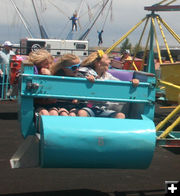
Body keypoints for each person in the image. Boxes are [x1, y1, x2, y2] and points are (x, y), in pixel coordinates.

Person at [77, 50, 139, 118]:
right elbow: (78, 79)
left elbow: (120, 84)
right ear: (98, 63)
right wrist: (87, 79)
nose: (109, 61)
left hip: (105, 110)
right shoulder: (85, 73)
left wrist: (132, 82)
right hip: (90, 108)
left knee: (120, 116)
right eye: (107, 59)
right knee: (82, 113)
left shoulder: (107, 76)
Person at [29, 49, 59, 116]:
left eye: (50, 63)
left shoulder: (55, 72)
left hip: (52, 104)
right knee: (44, 113)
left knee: (54, 113)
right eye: (46, 64)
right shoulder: (33, 72)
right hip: (36, 104)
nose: (48, 66)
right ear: (38, 63)